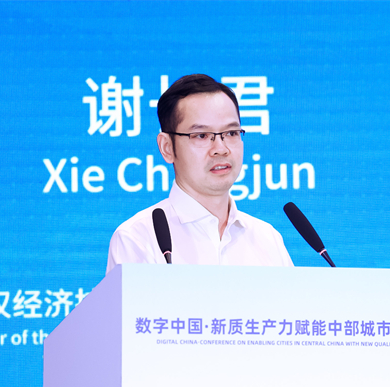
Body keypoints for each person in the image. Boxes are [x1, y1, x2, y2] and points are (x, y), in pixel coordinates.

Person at [106, 74, 293, 274]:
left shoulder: (267, 239)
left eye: (231, 133)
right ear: (167, 147)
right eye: (202, 135)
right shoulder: (137, 239)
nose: (221, 149)